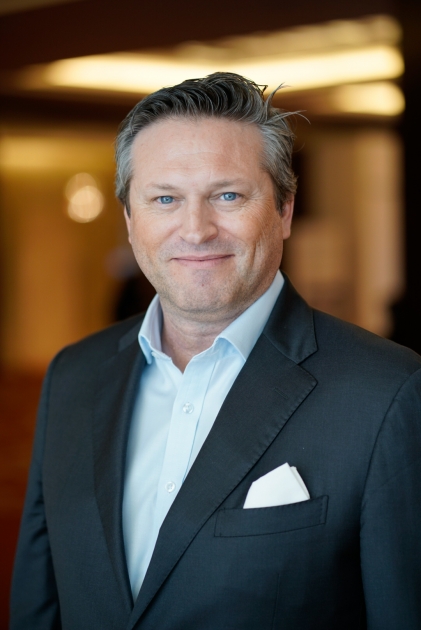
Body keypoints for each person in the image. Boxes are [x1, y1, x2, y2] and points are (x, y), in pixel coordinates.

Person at [10, 72, 421, 630]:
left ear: (284, 210)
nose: (196, 230)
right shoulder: (73, 376)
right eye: (165, 199)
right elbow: (39, 607)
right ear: (130, 220)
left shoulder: (387, 393)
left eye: (228, 195)